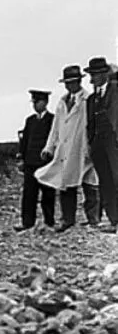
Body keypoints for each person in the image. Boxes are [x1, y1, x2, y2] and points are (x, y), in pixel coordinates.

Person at [35, 65, 100, 232]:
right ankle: (67, 220)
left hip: (82, 147)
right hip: (65, 149)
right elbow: (55, 128)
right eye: (67, 83)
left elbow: (90, 126)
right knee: (66, 184)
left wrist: (89, 148)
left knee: (89, 183)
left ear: (79, 81)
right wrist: (49, 147)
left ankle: (93, 219)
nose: (70, 86)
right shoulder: (62, 102)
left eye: (73, 82)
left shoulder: (88, 100)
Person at [85, 57, 118, 233]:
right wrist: (91, 143)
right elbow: (90, 124)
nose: (92, 79)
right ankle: (114, 221)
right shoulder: (92, 99)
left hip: (114, 144)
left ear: (105, 74)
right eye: (91, 75)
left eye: (95, 75)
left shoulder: (115, 91)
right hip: (98, 147)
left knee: (116, 179)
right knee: (106, 183)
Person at [15, 90, 55, 231]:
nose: (35, 105)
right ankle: (27, 223)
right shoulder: (30, 120)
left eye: (37, 102)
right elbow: (24, 142)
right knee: (29, 194)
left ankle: (49, 222)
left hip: (46, 164)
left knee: (48, 194)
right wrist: (21, 158)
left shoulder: (52, 120)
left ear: (45, 102)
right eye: (33, 102)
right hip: (30, 164)